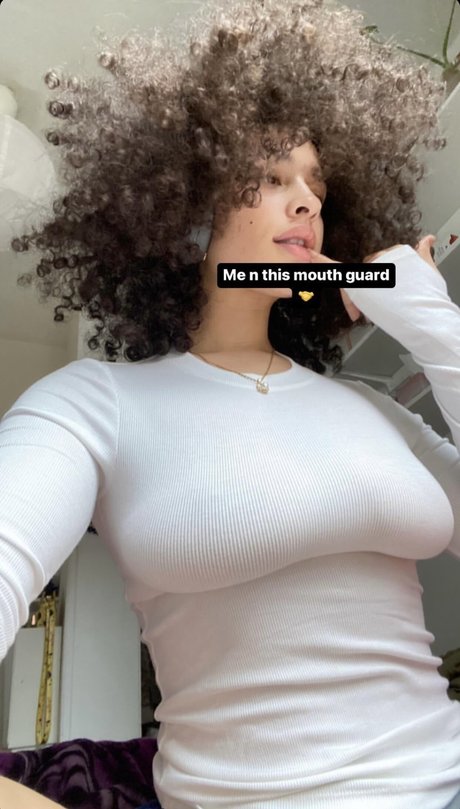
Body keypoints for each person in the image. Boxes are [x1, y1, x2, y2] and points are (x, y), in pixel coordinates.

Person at [0, 0, 460, 807]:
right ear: (186, 203)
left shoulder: (370, 407)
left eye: (316, 186)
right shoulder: (95, 403)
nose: (307, 201)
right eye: (273, 177)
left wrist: (434, 326)